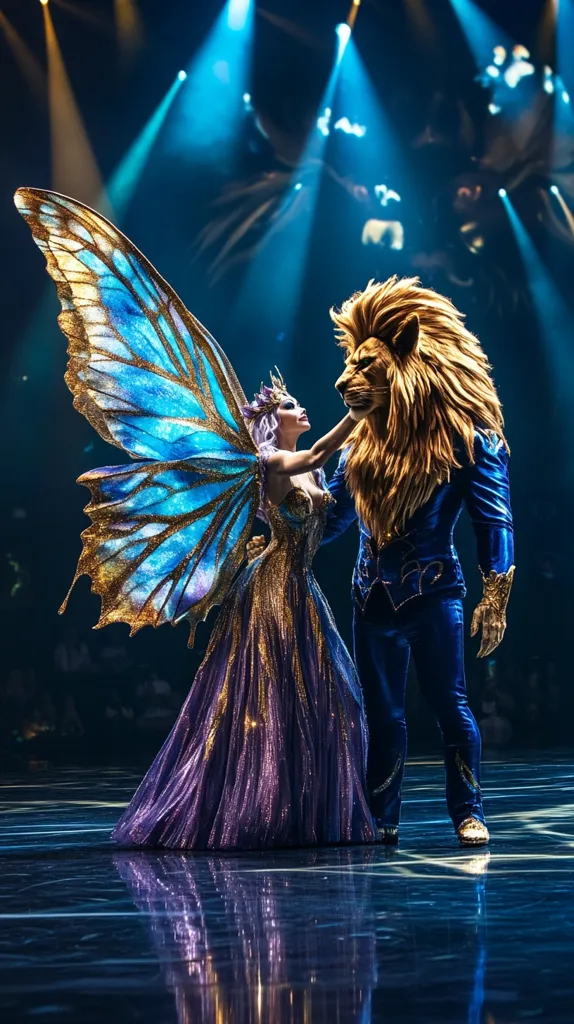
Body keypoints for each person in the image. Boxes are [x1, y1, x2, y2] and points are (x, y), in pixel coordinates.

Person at [15, 186, 375, 849]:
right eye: (294, 404)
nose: (303, 409)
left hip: (301, 593)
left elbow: (335, 485)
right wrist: (366, 406)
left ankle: (308, 810)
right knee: (265, 702)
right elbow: (324, 452)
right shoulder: (268, 463)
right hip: (271, 593)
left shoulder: (311, 470)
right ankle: (257, 810)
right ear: (277, 419)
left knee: (329, 701)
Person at [248, 277, 515, 847]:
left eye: (368, 367)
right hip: (369, 592)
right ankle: (379, 815)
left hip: (434, 589)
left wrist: (496, 596)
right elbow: (337, 520)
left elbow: (494, 520)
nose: (347, 378)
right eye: (352, 364)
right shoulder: (359, 445)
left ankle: (469, 811)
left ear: (408, 359)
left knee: (451, 706)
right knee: (381, 715)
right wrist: (282, 538)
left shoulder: (467, 438)